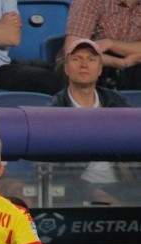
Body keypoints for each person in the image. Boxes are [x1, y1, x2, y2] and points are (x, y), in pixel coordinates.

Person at [51, 39, 129, 207]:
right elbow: (57, 171)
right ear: (66, 68)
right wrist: (93, 193)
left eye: (91, 59)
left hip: (125, 185)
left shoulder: (116, 102)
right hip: (77, 188)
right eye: (77, 59)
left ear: (100, 69)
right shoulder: (56, 109)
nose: (84, 65)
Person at [63, 0, 141, 91]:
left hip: (132, 68)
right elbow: (73, 52)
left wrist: (111, 44)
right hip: (95, 64)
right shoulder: (90, 2)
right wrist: (120, 63)